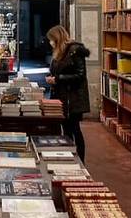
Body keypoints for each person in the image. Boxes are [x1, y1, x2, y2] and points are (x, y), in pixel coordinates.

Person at [44, 25, 90, 160]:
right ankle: (69, 157)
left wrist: (58, 79)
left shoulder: (75, 51)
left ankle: (80, 160)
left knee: (75, 129)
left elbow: (80, 75)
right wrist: (51, 77)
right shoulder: (59, 52)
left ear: (57, 38)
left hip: (73, 98)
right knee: (66, 130)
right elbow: (57, 70)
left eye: (51, 40)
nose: (50, 42)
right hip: (61, 96)